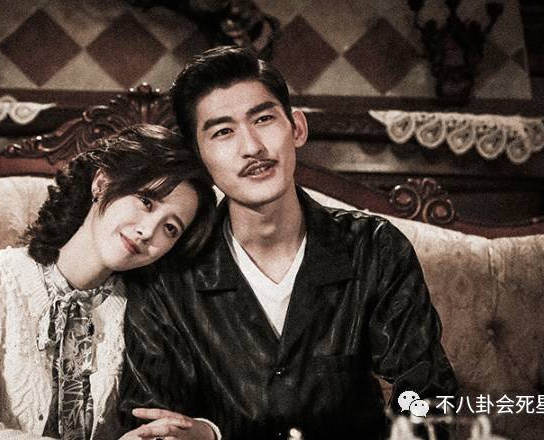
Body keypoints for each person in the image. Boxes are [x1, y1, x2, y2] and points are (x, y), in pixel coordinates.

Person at [118, 47, 459, 439]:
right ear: (198, 157)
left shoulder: (374, 248)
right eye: (223, 131)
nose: (252, 147)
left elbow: (431, 399)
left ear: (296, 128)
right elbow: (150, 420)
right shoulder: (168, 274)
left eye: (263, 119)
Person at [0, 124, 216, 440]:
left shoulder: (147, 311)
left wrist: (202, 432)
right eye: (146, 201)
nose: (148, 231)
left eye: (170, 228)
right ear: (102, 183)